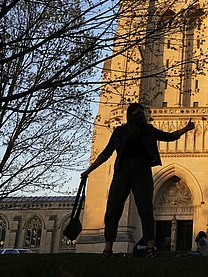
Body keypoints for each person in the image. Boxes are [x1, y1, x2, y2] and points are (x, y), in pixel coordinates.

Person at [81, 102, 195, 257]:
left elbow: (169, 136)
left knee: (146, 211)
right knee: (113, 211)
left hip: (142, 173)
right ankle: (107, 249)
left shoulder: (148, 131)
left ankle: (150, 249)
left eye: (142, 114)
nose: (141, 117)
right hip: (122, 173)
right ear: (130, 116)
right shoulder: (120, 131)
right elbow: (106, 153)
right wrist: (89, 170)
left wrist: (186, 129)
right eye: (137, 114)